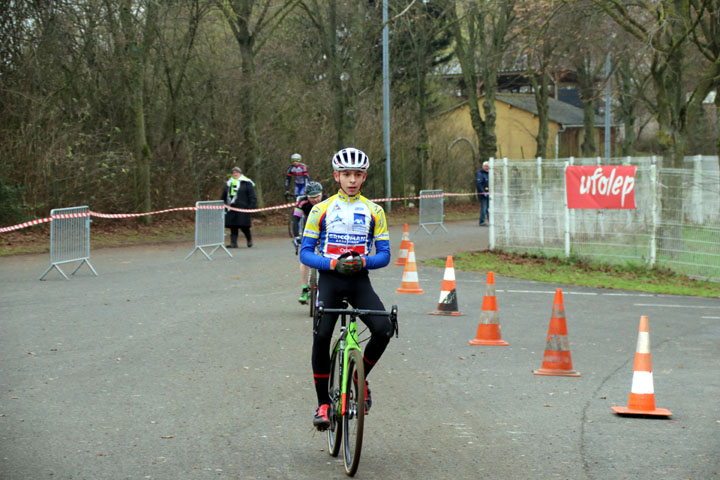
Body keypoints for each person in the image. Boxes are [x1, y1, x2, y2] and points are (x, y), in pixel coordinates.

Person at [299, 147, 392, 431]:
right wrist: (330, 265)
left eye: (357, 174)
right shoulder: (320, 209)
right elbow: (305, 253)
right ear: (336, 176)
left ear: (364, 178)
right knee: (322, 334)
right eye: (346, 174)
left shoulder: (375, 211)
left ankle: (357, 379)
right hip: (330, 280)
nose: (352, 179)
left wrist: (364, 260)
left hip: (359, 281)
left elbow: (385, 254)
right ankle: (323, 404)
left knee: (384, 328)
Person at [292, 181, 327, 304]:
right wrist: (296, 236)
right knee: (305, 260)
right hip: (309, 231)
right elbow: (295, 219)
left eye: (318, 196)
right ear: (306, 196)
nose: (316, 200)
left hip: (325, 230)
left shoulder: (329, 201)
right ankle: (304, 289)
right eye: (312, 197)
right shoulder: (302, 202)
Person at [221, 166, 257, 248]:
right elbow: (224, 195)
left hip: (243, 207)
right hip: (231, 207)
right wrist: (223, 204)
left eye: (237, 172)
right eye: (233, 172)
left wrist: (251, 206)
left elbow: (252, 196)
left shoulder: (247, 183)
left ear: (240, 173)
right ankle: (233, 243)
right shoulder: (229, 183)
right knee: (233, 226)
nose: (235, 174)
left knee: (244, 226)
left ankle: (249, 240)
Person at [476, 161, 490, 226]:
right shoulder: (480, 173)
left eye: (488, 166)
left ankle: (491, 221)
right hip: (483, 195)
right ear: (483, 166)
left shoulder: (489, 173)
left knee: (489, 208)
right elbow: (479, 184)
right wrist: (483, 192)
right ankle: (482, 221)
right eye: (485, 166)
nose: (487, 168)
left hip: (489, 194)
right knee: (484, 208)